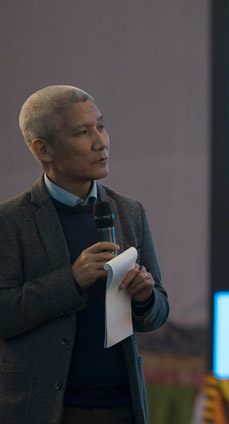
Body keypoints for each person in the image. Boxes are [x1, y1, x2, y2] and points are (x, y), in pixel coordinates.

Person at [0, 85, 169, 424]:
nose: (100, 141)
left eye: (101, 126)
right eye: (82, 132)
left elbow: (157, 313)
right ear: (43, 149)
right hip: (45, 408)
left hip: (121, 405)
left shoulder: (128, 211)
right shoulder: (11, 221)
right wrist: (71, 280)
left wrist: (146, 297)